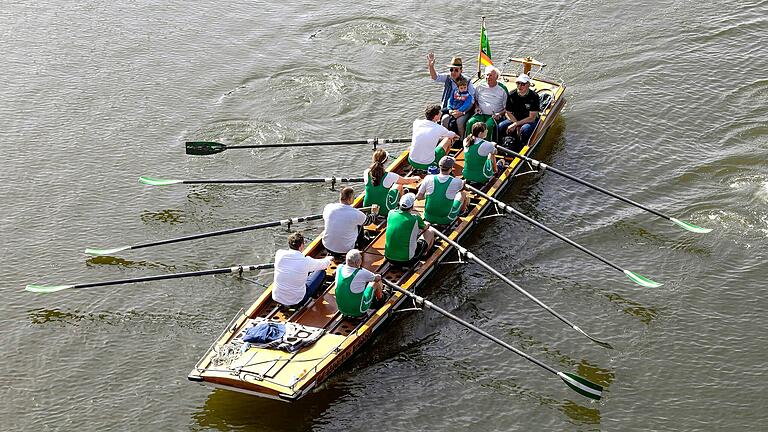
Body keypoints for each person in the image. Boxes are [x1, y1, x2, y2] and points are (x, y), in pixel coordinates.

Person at [272, 232, 333, 306]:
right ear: (301, 246)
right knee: (320, 272)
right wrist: (330, 258)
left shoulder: (279, 254)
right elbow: (324, 265)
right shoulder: (305, 261)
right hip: (298, 300)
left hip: (276, 297)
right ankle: (315, 294)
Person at [427, 53, 476, 138]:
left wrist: (461, 112)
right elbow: (435, 77)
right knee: (444, 119)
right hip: (449, 107)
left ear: (461, 70)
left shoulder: (467, 82)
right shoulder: (448, 78)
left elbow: (471, 101)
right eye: (451, 70)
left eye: (456, 70)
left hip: (463, 109)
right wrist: (431, 66)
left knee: (460, 121)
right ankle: (445, 139)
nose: (453, 72)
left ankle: (461, 140)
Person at [322, 187, 378, 257]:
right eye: (353, 197)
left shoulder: (328, 207)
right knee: (360, 224)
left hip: (327, 246)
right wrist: (374, 213)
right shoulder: (356, 213)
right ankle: (361, 244)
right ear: (350, 199)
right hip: (346, 250)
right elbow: (368, 222)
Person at [363, 149, 420, 217]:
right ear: (386, 161)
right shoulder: (390, 176)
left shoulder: (366, 172)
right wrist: (416, 178)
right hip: (385, 210)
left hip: (367, 208)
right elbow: (406, 181)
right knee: (399, 185)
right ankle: (402, 206)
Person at [384, 193, 435, 266]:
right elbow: (425, 228)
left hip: (388, 258)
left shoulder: (391, 213)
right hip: (407, 260)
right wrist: (426, 224)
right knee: (430, 232)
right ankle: (424, 254)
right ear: (412, 207)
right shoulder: (415, 218)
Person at [416, 156, 467, 225]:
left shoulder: (428, 178)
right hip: (446, 219)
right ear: (451, 168)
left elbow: (418, 197)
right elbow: (462, 187)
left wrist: (430, 196)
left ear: (439, 167)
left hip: (428, 216)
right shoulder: (457, 181)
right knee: (462, 194)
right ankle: (463, 211)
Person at [334, 249, 384, 317]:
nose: (361, 260)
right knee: (374, 283)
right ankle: (381, 300)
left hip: (341, 309)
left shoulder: (339, 268)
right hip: (359, 311)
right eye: (361, 259)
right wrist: (378, 276)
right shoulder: (362, 272)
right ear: (357, 262)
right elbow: (377, 279)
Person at [408, 104, 459, 171]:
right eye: (440, 113)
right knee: (448, 139)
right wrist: (458, 137)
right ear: (435, 116)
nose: (441, 113)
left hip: (411, 161)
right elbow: (452, 135)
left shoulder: (416, 122)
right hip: (428, 164)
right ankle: (444, 164)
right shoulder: (439, 128)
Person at [465, 65, 508, 143]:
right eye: (487, 75)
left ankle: (487, 146)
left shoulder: (502, 89)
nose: (488, 77)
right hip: (480, 114)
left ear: (496, 77)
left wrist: (499, 114)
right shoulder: (480, 86)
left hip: (493, 116)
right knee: (470, 122)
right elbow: (476, 100)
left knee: (488, 126)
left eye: (491, 75)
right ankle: (469, 143)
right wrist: (477, 107)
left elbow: (507, 108)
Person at [499, 73, 540, 147]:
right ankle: (502, 145)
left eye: (523, 84)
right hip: (515, 119)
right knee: (501, 126)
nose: (519, 86)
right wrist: (517, 125)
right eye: (518, 83)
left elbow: (532, 118)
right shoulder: (511, 95)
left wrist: (516, 124)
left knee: (525, 129)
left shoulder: (534, 96)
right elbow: (508, 112)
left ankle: (523, 147)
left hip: (529, 121)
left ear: (528, 85)